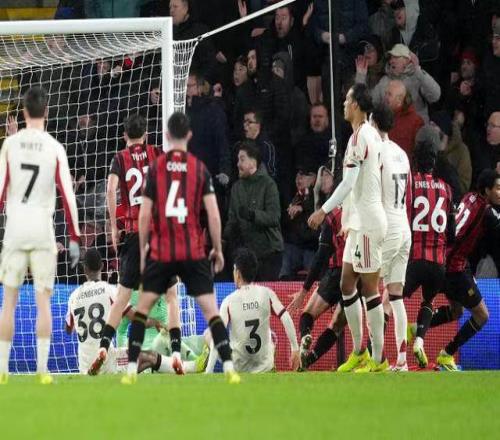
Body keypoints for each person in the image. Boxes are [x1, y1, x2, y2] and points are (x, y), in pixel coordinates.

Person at [122, 112, 240, 385]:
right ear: (189, 135)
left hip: (163, 249)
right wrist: (217, 248)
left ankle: (130, 370)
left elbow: (144, 214)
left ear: (166, 136)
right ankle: (229, 368)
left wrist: (143, 248)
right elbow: (213, 213)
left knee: (143, 307)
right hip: (191, 248)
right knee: (210, 309)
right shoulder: (199, 168)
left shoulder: (157, 168)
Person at [0, 87, 80, 385]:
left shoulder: (10, 144)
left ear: (23, 112)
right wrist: (74, 236)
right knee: (43, 302)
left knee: (8, 303)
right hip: (43, 230)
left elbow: (0, 191)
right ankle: (43, 371)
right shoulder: (54, 147)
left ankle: (2, 371)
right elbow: (68, 196)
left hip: (15, 229)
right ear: (46, 112)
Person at [308, 83, 388, 372]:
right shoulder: (369, 135)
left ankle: (378, 359)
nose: (343, 103)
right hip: (359, 223)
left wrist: (324, 210)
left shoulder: (360, 137)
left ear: (355, 105)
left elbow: (349, 183)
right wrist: (347, 220)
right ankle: (359, 351)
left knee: (370, 290)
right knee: (346, 284)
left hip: (367, 224)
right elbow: (365, 183)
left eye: (346, 100)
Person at [88, 114, 173, 375]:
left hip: (134, 233)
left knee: (122, 296)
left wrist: (115, 226)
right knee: (171, 295)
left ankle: (104, 346)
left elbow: (111, 189)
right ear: (146, 134)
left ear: (125, 135)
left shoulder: (120, 158)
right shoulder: (157, 153)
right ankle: (176, 352)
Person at [431, 170, 500, 371]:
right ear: (486, 190)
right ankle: (446, 354)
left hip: (445, 260)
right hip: (456, 269)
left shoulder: (469, 197)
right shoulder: (486, 211)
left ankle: (415, 329)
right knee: (482, 315)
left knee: (457, 311)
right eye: (497, 188)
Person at [65, 249, 171, 374]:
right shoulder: (109, 290)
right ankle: (186, 367)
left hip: (84, 365)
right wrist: (156, 323)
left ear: (84, 269)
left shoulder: (73, 296)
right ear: (102, 266)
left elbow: (68, 329)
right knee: (150, 357)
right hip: (108, 361)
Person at [402, 140, 454, 368]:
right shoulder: (446, 189)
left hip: (414, 258)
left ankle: (380, 354)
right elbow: (452, 233)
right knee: (428, 301)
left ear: (415, 160)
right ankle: (419, 341)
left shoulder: (410, 184)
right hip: (438, 263)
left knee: (390, 300)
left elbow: (402, 217)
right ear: (434, 162)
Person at [206, 248, 299, 373]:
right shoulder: (267, 294)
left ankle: (200, 365)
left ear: (238, 273)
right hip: (265, 368)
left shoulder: (228, 301)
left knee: (209, 334)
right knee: (270, 337)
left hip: (239, 368)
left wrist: (209, 371)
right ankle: (270, 366)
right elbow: (285, 317)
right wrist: (295, 348)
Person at [371, 103, 411, 371]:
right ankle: (402, 360)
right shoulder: (401, 153)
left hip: (387, 228)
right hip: (404, 227)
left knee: (368, 289)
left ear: (373, 123)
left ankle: (376, 358)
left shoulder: (376, 152)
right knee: (395, 296)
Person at [287, 206, 346, 369]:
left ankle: (306, 335)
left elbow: (320, 257)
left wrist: (303, 292)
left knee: (308, 314)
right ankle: (309, 360)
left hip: (336, 274)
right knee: (336, 327)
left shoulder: (334, 216)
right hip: (358, 276)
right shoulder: (363, 212)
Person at [224, 142, 284, 281]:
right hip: (247, 255)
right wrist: (223, 239)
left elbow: (274, 217)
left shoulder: (268, 185)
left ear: (253, 162)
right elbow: (232, 220)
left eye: (242, 159)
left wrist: (252, 215)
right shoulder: (236, 188)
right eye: (238, 160)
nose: (238, 164)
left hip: (269, 254)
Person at [384, 79, 424, 157]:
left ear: (400, 99)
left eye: (389, 94)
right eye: (385, 93)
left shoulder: (416, 122)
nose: (385, 97)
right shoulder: (381, 116)